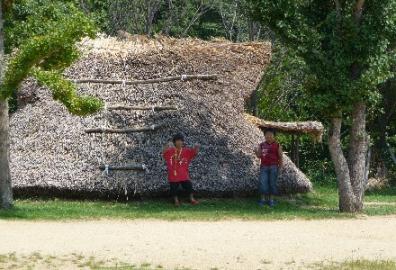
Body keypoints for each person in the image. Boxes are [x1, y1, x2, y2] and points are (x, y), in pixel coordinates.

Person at [163, 133, 200, 206]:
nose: (179, 142)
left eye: (181, 140)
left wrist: (197, 147)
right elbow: (164, 153)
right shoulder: (170, 151)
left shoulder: (186, 151)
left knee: (189, 186)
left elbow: (194, 153)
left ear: (183, 142)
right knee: (173, 188)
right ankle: (176, 201)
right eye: (177, 141)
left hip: (183, 174)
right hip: (173, 174)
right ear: (174, 142)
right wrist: (166, 146)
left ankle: (191, 199)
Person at [254, 128, 283, 207]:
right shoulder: (262, 145)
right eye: (267, 135)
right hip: (264, 166)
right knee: (263, 182)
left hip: (274, 166)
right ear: (264, 135)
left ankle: (271, 200)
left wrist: (280, 167)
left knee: (272, 183)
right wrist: (256, 151)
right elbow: (259, 155)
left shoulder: (277, 145)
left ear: (274, 136)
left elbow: (280, 156)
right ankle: (262, 199)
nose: (268, 136)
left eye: (270, 135)